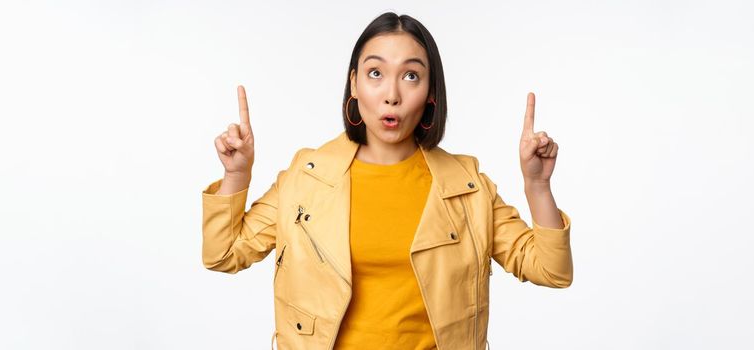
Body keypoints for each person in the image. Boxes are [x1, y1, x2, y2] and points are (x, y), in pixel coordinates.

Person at [201, 12, 572, 350]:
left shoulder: (467, 186)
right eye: (375, 73)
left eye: (411, 75)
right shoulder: (306, 178)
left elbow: (551, 271)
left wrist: (537, 187)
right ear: (354, 84)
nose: (391, 95)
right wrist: (237, 174)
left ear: (430, 94)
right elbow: (223, 254)